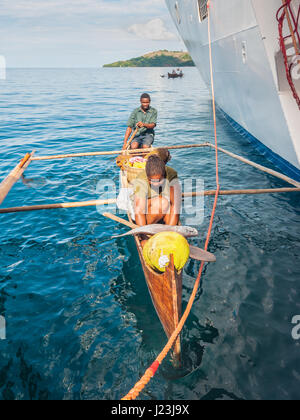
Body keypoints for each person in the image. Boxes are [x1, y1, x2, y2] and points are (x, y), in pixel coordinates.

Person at [133, 154, 181, 227]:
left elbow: (175, 205)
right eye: (151, 181)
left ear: (164, 175)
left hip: (163, 206)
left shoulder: (171, 175)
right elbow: (139, 211)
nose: (155, 184)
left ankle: (166, 231)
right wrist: (144, 233)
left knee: (170, 207)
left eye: (159, 181)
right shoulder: (141, 179)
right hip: (147, 208)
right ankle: (149, 229)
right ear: (147, 177)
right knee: (162, 202)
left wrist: (171, 232)